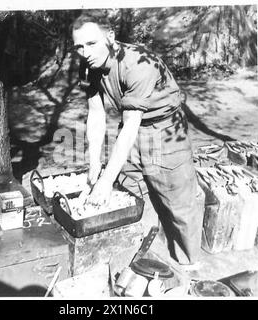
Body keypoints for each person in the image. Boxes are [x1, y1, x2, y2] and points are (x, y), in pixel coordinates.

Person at [72, 12, 204, 266]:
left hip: (163, 131)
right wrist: (94, 164)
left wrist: (104, 182)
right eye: (79, 46)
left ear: (110, 37)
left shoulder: (138, 64)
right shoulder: (88, 65)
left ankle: (190, 267)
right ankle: (145, 256)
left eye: (91, 43)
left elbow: (131, 126)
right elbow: (96, 114)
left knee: (175, 199)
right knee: (132, 191)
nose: (85, 52)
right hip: (132, 126)